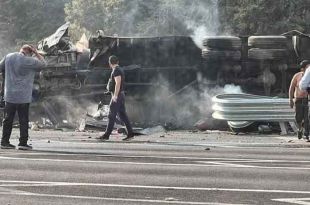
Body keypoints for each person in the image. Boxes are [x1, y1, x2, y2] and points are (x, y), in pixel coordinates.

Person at [0, 44, 46, 150]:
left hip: (10, 95)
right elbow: (44, 64)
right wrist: (36, 52)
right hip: (23, 96)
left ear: (21, 50)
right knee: (23, 119)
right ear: (30, 53)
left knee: (7, 119)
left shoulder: (9, 57)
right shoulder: (30, 61)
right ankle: (22, 143)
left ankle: (4, 141)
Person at [97, 55, 134, 141]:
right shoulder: (119, 69)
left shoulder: (116, 70)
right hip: (120, 95)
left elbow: (118, 83)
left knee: (111, 115)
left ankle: (106, 135)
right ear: (118, 62)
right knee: (123, 115)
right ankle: (130, 133)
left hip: (118, 95)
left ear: (110, 63)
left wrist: (115, 96)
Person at [289, 60, 310, 141]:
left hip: (306, 100)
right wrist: (290, 99)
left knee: (307, 118)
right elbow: (291, 88)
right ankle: (300, 129)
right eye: (307, 67)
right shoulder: (297, 76)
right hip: (298, 100)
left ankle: (306, 134)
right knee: (298, 118)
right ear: (302, 69)